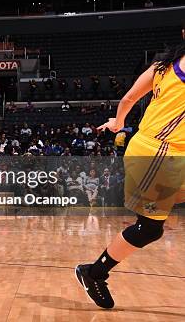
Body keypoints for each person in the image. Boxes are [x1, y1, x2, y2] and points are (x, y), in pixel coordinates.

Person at [76, 42, 185, 309]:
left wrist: (119, 122)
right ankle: (94, 273)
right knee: (148, 228)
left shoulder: (162, 67)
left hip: (172, 153)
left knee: (151, 229)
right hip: (158, 153)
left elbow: (127, 99)